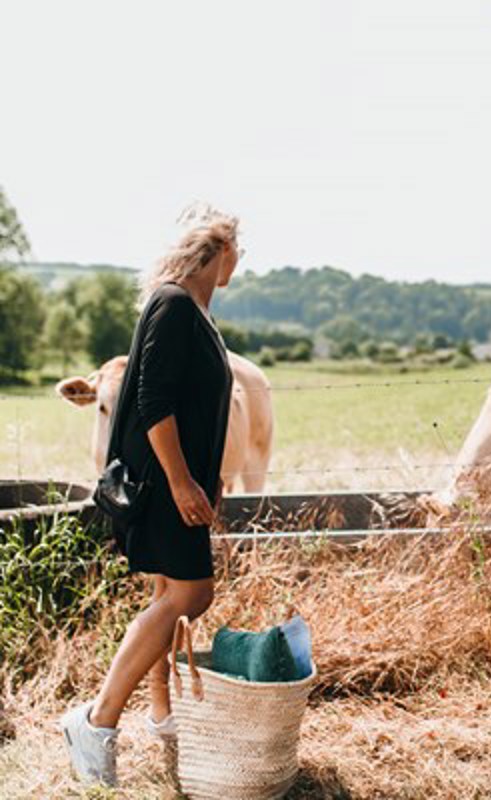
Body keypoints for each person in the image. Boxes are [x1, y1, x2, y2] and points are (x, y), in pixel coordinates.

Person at [60, 205, 241, 787]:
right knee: (191, 594)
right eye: (238, 251)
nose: (240, 262)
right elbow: (154, 402)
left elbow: (191, 405)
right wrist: (184, 481)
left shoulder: (195, 314)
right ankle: (96, 720)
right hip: (164, 485)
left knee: (173, 595)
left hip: (182, 482)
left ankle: (137, 716)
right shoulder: (172, 304)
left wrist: (204, 476)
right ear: (220, 251)